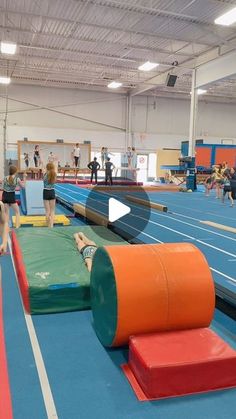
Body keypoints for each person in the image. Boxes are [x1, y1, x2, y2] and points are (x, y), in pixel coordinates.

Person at [43, 163, 57, 227]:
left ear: (47, 168)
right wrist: (55, 161)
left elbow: (43, 166)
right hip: (52, 191)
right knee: (52, 210)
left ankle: (48, 224)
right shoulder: (54, 174)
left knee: (47, 210)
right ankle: (51, 226)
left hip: (45, 191)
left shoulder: (45, 174)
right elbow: (55, 168)